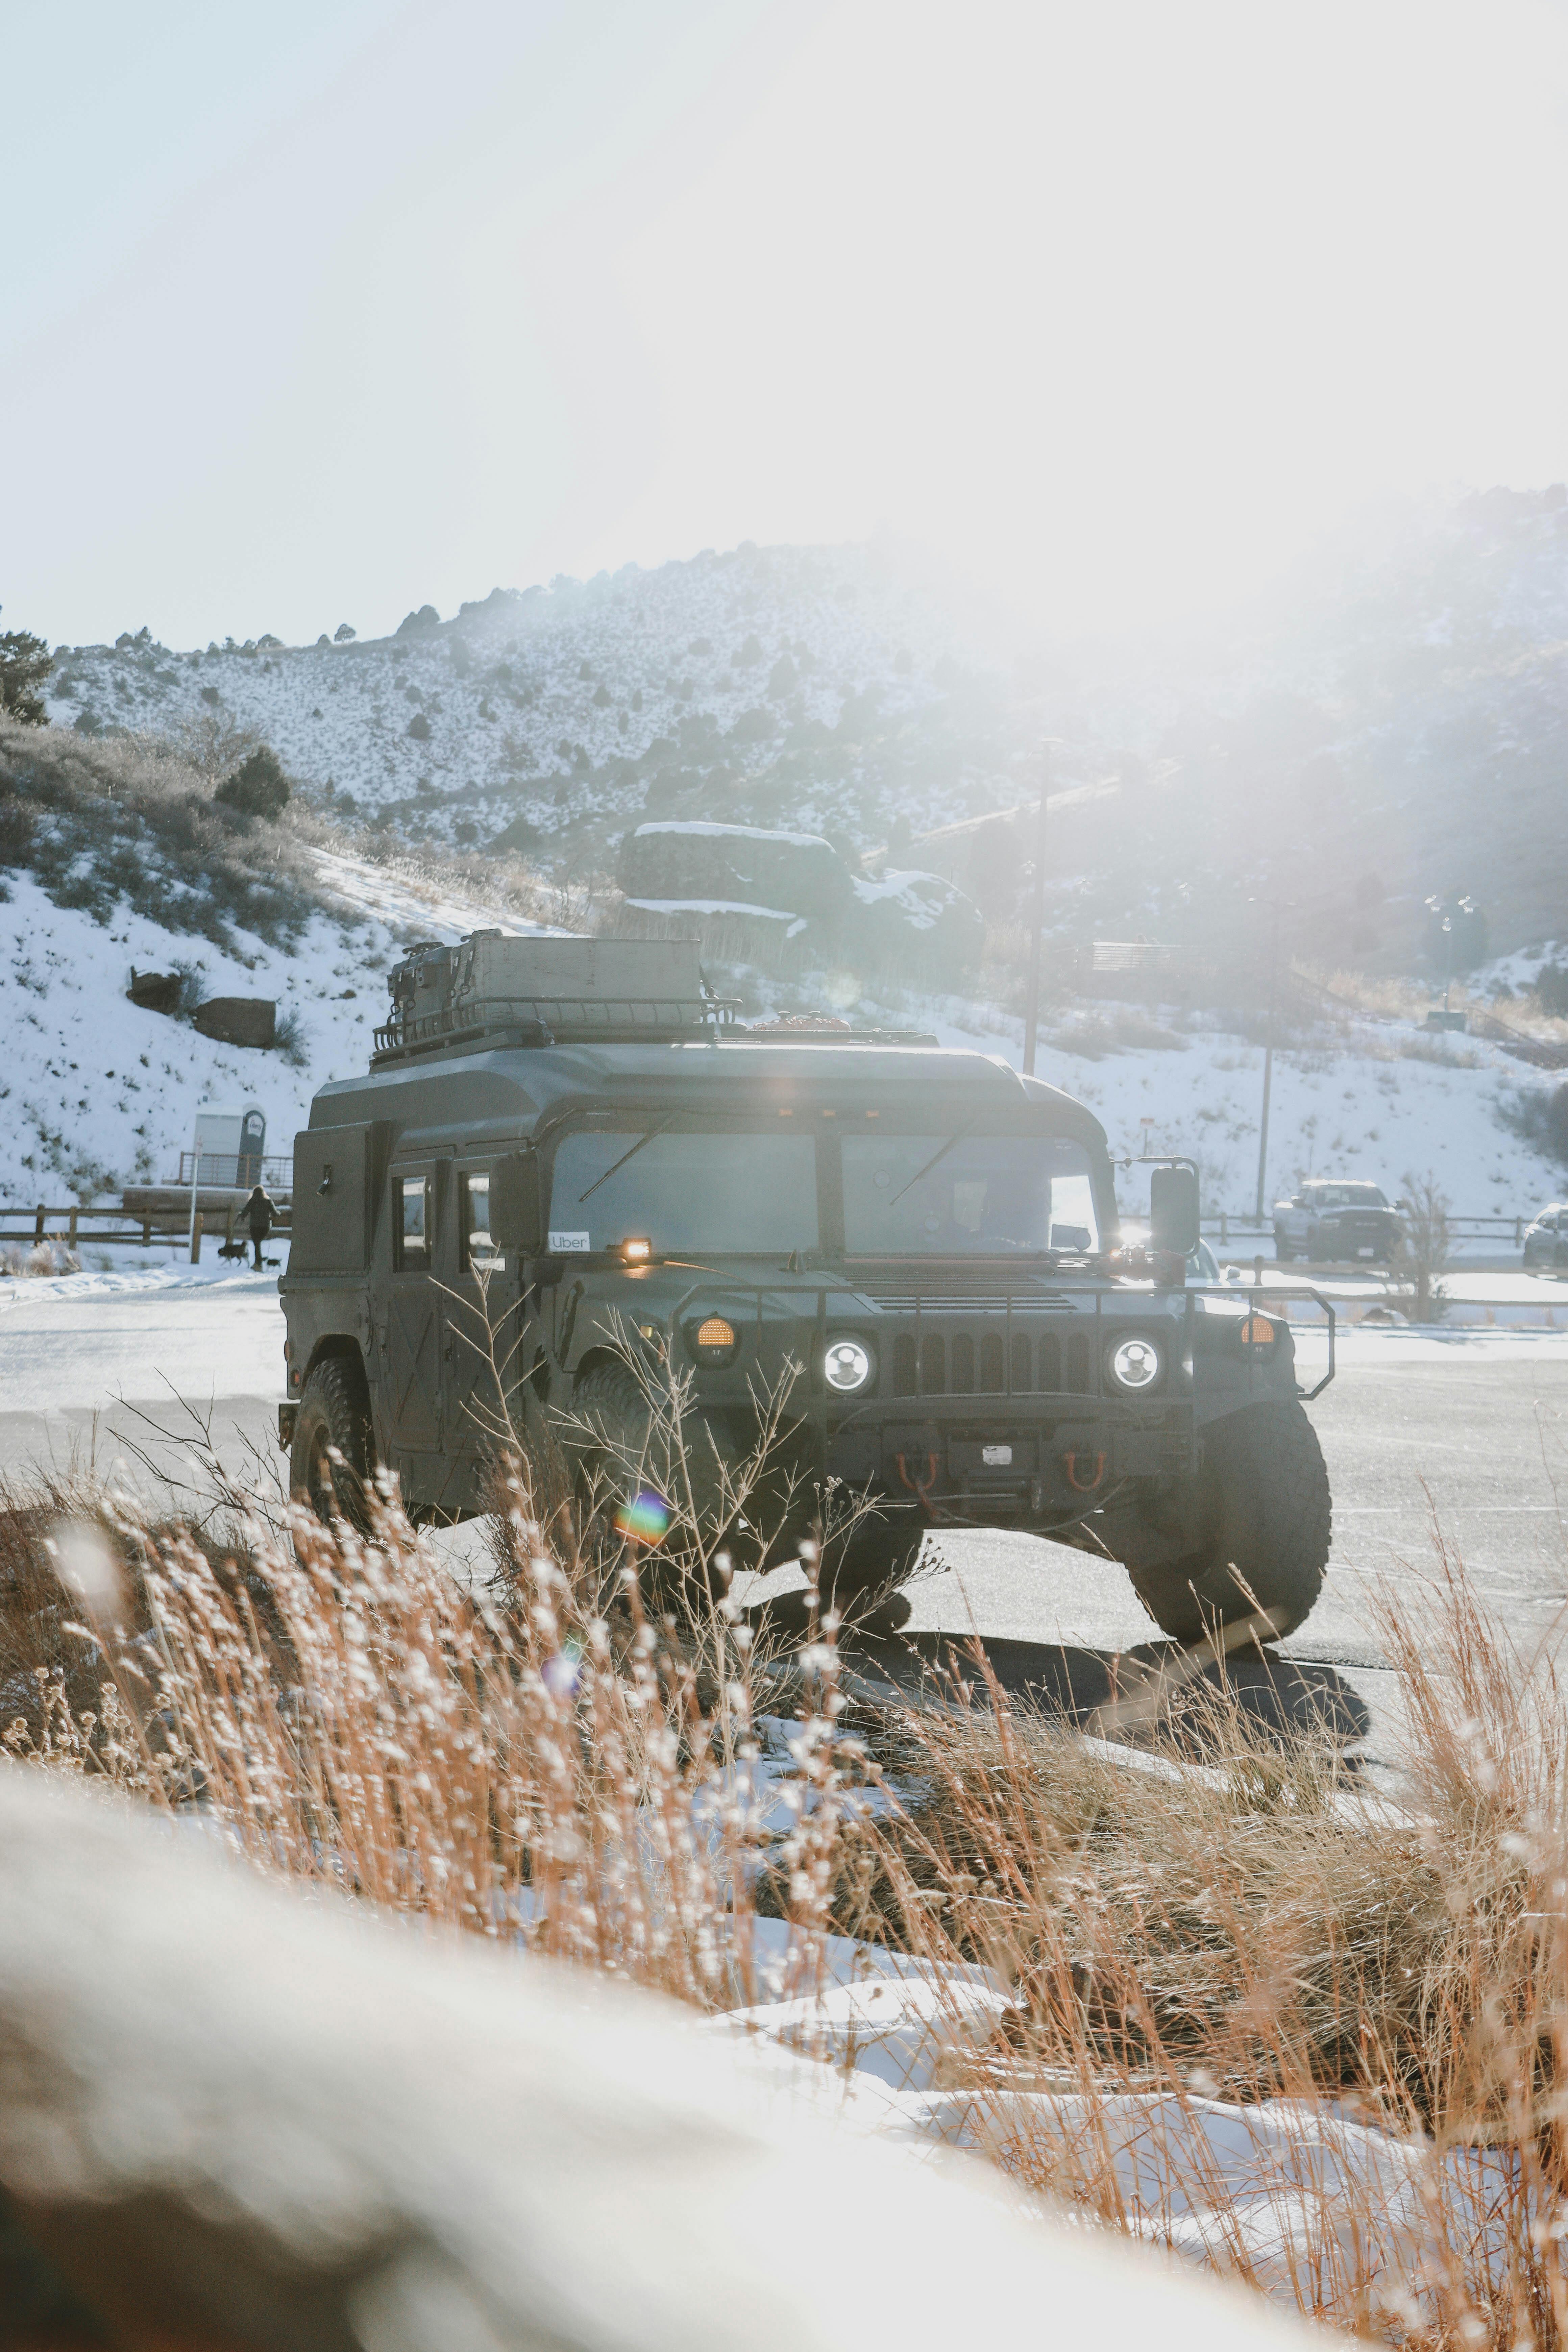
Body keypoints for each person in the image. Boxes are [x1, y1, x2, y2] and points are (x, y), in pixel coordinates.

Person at [243, 1183, 275, 1271]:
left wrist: (241, 1216)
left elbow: (245, 1212)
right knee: (258, 1244)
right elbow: (275, 1213)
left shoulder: (252, 1202)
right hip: (265, 1227)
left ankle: (259, 1264)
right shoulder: (268, 1201)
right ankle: (258, 1264)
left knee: (257, 1245)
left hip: (254, 1227)